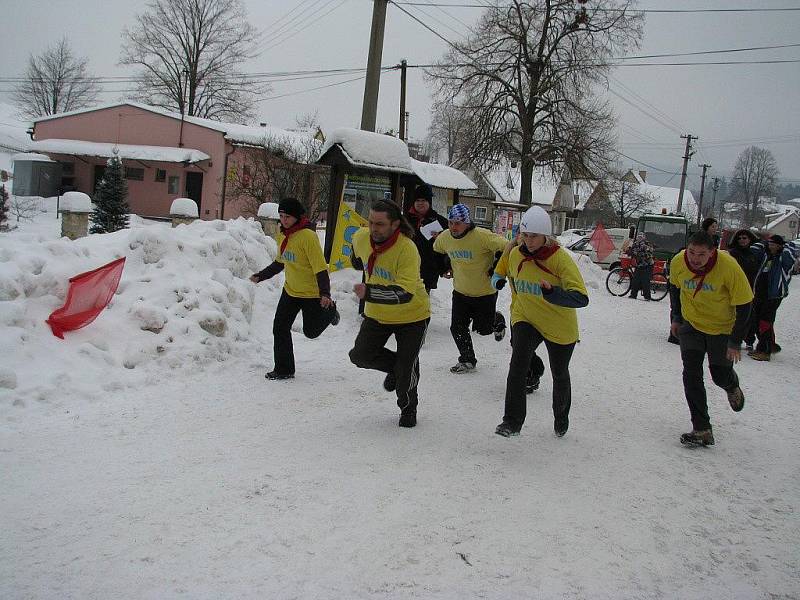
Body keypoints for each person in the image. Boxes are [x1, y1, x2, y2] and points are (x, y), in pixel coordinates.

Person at [493, 206, 588, 438]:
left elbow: (581, 297)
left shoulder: (560, 259)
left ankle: (561, 416)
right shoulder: (516, 254)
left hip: (559, 326)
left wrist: (553, 293)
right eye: (525, 235)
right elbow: (505, 273)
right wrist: (498, 282)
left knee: (560, 373)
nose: (528, 241)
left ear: (546, 235)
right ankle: (511, 422)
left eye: (534, 236)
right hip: (527, 319)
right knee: (517, 367)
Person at [348, 200, 430, 428]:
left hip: (412, 315)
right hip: (378, 314)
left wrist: (370, 291)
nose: (374, 228)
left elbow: (405, 293)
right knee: (360, 356)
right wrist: (356, 260)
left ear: (395, 224)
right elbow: (356, 257)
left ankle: (408, 408)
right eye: (371, 222)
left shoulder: (407, 249)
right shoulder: (362, 237)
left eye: (380, 224)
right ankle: (402, 367)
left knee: (406, 372)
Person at [668, 230, 752, 446]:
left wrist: (735, 341)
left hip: (722, 329)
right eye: (692, 252)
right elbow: (675, 288)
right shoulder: (679, 261)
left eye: (701, 254)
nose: (695, 259)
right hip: (692, 326)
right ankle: (702, 428)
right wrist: (677, 318)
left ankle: (731, 385)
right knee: (691, 375)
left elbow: (744, 305)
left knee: (719, 375)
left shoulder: (728, 266)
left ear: (712, 252)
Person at [250, 197, 340, 380]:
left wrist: (325, 294)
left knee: (311, 332)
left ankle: (330, 311)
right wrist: (261, 276)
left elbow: (320, 268)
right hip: (290, 290)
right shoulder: (283, 234)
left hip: (310, 293)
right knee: (280, 327)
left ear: (298, 217)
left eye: (288, 217)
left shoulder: (308, 237)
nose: (284, 220)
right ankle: (284, 369)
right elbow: (280, 262)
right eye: (281, 216)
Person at [433, 203, 509, 373]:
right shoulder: (445, 237)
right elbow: (437, 250)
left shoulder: (482, 236)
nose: (454, 227)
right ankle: (467, 360)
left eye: (458, 223)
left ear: (467, 223)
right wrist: (442, 268)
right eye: (451, 222)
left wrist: (496, 268)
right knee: (457, 327)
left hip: (485, 293)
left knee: (483, 329)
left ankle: (497, 321)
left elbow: (507, 247)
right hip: (460, 291)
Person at [746, 234, 796, 361]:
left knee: (765, 321)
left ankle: (764, 351)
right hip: (760, 293)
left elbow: (791, 253)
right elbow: (753, 249)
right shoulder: (766, 255)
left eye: (773, 244)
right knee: (759, 320)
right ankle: (770, 345)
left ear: (780, 246)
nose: (770, 246)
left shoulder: (783, 258)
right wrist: (763, 242)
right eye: (770, 243)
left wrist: (784, 246)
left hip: (774, 295)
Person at [405, 183, 449, 292]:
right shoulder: (404, 220)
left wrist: (440, 239)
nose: (420, 203)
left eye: (423, 200)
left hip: (428, 270)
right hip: (406, 267)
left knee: (422, 302)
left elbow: (450, 245)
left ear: (429, 202)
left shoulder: (440, 221)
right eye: (417, 200)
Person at [726, 229, 760, 350]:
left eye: (744, 238)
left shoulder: (754, 253)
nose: (742, 240)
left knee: (750, 317)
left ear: (750, 239)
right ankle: (732, 339)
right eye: (739, 238)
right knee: (735, 316)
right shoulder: (733, 253)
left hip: (750, 288)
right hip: (735, 288)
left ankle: (749, 340)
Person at [626, 233, 655, 300]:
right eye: (638, 237)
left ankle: (647, 297)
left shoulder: (646, 244)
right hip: (639, 265)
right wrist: (629, 251)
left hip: (647, 265)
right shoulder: (635, 244)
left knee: (645, 281)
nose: (639, 239)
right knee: (635, 280)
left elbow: (649, 253)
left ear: (643, 238)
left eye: (641, 237)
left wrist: (640, 254)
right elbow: (632, 249)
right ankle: (633, 295)